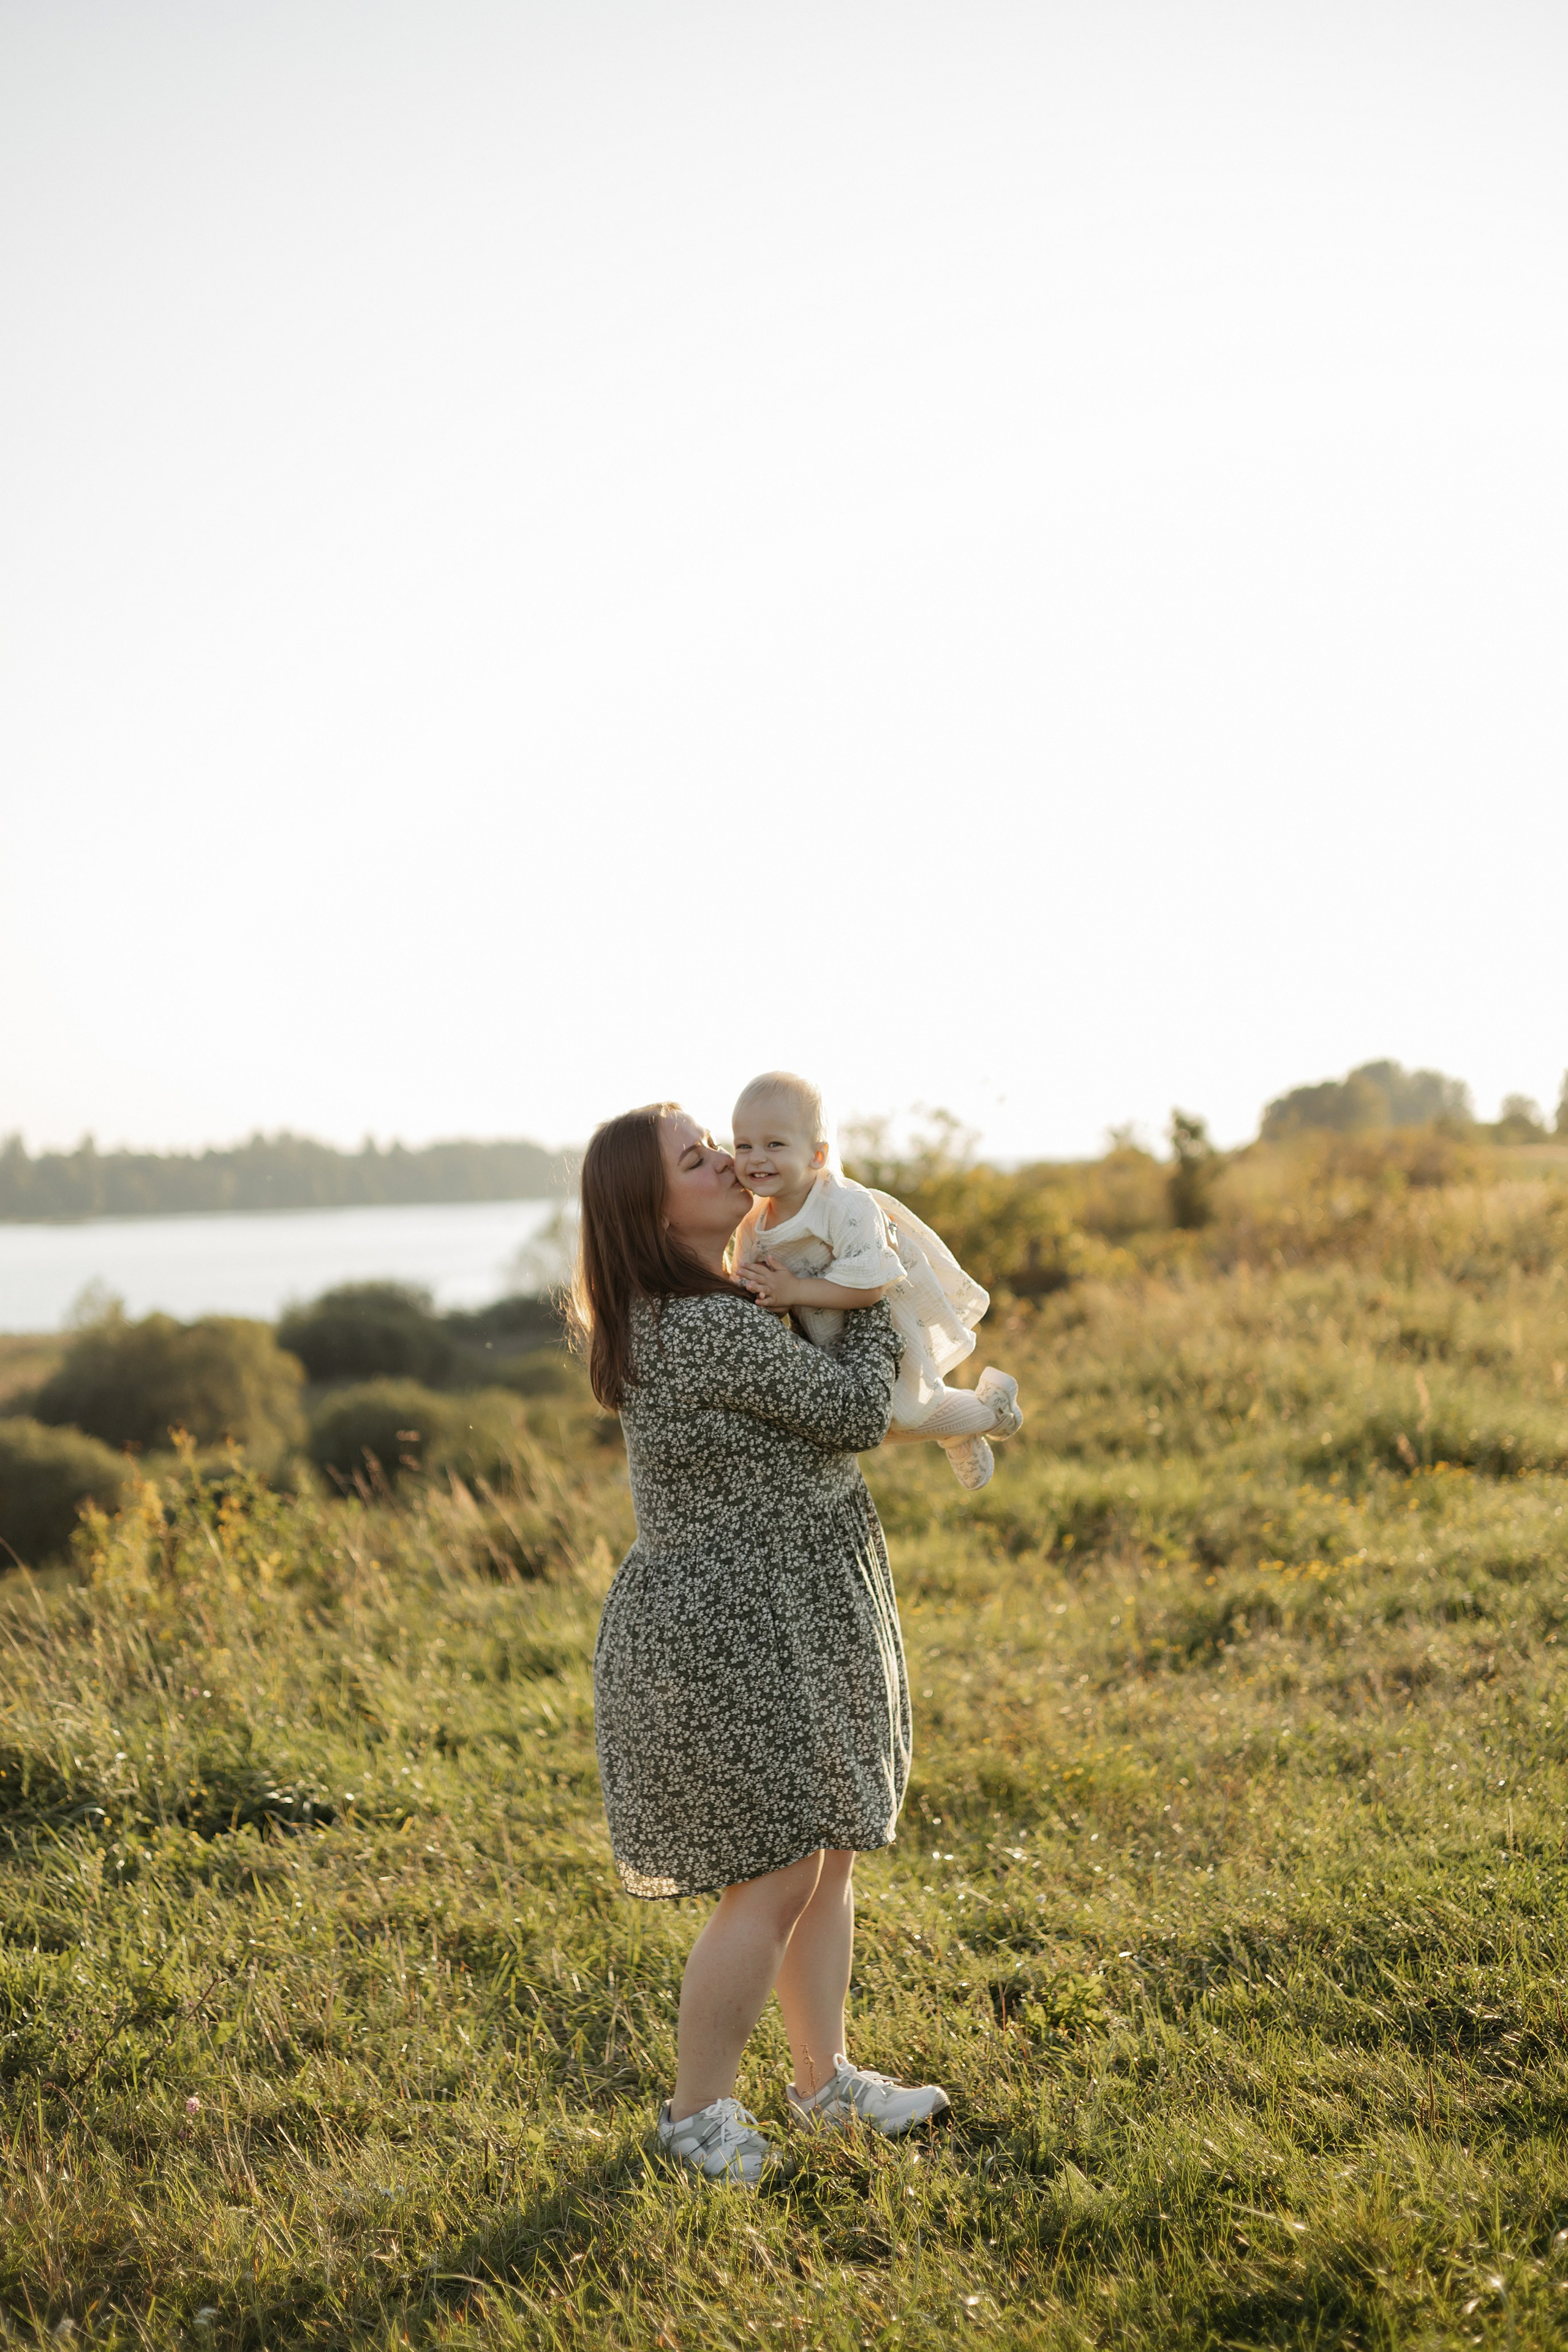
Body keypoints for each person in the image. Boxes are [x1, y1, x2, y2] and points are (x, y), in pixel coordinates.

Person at [577, 1101, 950, 2186]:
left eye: (720, 1146)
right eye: (697, 1159)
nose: (729, 1163)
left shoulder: (734, 1295)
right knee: (779, 1869)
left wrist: (816, 1277)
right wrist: (869, 1280)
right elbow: (856, 1414)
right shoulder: (699, 1323)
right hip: (731, 1632)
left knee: (826, 1850)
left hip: (785, 1604)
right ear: (649, 1211)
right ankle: (696, 2117)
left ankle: (823, 2082)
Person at [731, 1071, 1022, 1490]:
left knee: (896, 1413)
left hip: (885, 1327)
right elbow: (750, 1292)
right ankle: (961, 1427)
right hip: (825, 1340)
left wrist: (793, 1290)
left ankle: (989, 1411)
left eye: (774, 1144)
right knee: (872, 1424)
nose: (756, 1158)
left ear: (817, 1155)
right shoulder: (753, 1224)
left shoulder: (844, 1206)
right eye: (744, 1146)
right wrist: (768, 1297)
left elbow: (870, 1288)